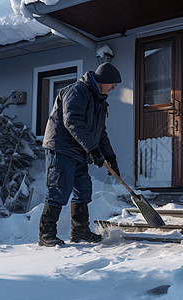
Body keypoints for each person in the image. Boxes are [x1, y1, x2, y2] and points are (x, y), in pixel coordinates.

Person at [38, 62, 121, 247]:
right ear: (103, 80)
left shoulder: (99, 99)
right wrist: (93, 150)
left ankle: (80, 231)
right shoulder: (77, 91)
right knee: (59, 188)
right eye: (113, 83)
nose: (114, 87)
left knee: (83, 189)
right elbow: (73, 122)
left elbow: (100, 132)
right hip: (62, 148)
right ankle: (46, 234)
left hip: (79, 150)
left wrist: (110, 157)